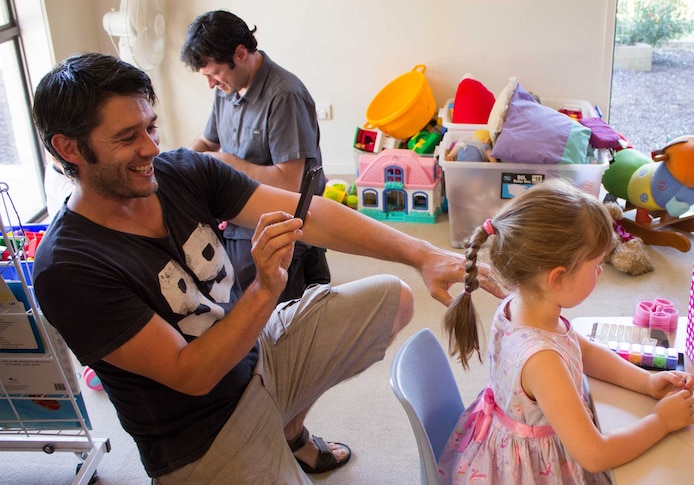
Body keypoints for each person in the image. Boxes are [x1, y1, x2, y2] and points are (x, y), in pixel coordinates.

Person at [29, 52, 500, 484]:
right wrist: (264, 288)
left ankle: (288, 428)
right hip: (199, 434)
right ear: (70, 149)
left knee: (392, 298)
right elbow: (190, 373)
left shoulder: (180, 171)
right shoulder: (68, 267)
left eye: (151, 127)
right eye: (127, 137)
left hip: (258, 353)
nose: (151, 146)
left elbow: (309, 212)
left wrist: (422, 253)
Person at [437, 178, 694, 485]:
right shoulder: (543, 362)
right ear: (557, 278)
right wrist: (661, 421)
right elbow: (595, 455)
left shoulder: (522, 304)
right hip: (532, 471)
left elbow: (579, 350)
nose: (601, 272)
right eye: (596, 264)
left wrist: (647, 381)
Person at [180, 10, 329, 303]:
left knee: (242, 291)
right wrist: (177, 163)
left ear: (241, 53)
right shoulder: (227, 87)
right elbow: (207, 142)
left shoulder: (284, 95)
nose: (211, 84)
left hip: (279, 211)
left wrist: (227, 164)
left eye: (214, 74)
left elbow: (288, 184)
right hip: (237, 205)